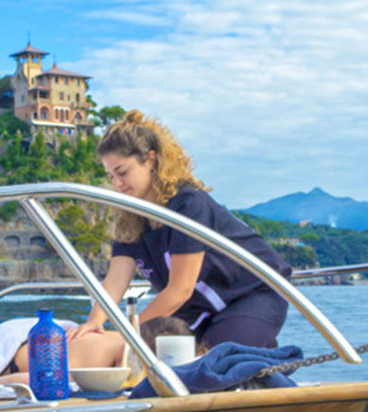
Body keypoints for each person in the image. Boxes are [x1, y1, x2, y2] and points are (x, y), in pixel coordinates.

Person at [69, 110, 292, 351]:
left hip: (252, 293)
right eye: (111, 176)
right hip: (198, 308)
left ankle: (262, 358)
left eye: (122, 173)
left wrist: (126, 333)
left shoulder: (189, 204)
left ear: (150, 160)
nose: (117, 184)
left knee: (213, 360)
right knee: (163, 361)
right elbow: (115, 280)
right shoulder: (129, 217)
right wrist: (94, 323)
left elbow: (179, 291)